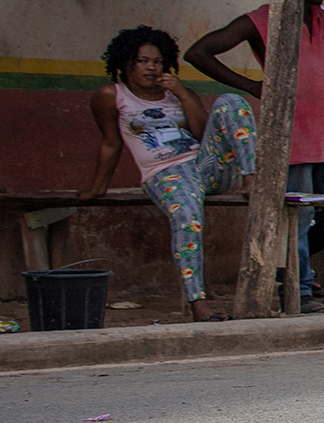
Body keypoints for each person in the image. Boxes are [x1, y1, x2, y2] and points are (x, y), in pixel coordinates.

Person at [184, 0, 324, 311]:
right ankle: (298, 290)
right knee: (298, 219)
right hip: (292, 136)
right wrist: (252, 85)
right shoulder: (263, 19)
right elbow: (199, 53)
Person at [76, 26, 262, 321]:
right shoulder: (112, 95)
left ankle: (251, 179)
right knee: (187, 218)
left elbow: (202, 134)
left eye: (157, 62)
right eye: (142, 61)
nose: (151, 67)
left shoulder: (178, 94)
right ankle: (198, 303)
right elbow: (111, 143)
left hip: (204, 167)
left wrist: (182, 94)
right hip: (164, 173)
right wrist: (97, 188)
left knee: (232, 101)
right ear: (126, 63)